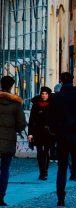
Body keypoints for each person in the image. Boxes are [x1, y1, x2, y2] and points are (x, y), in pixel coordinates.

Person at [48, 72, 76, 207]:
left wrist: (55, 132)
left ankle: (61, 197)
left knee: (62, 167)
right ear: (73, 80)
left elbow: (50, 118)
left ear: (61, 81)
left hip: (62, 137)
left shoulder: (56, 97)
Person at [0, 75, 27, 207]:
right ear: (11, 86)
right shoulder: (16, 104)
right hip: (8, 140)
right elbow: (21, 124)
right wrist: (14, 128)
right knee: (5, 169)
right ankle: (0, 197)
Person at [28, 86, 54, 180]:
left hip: (48, 132)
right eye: (42, 93)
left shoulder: (52, 104)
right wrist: (30, 133)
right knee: (39, 151)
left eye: (46, 94)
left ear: (49, 95)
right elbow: (31, 119)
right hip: (38, 131)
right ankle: (41, 171)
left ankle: (45, 171)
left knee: (46, 151)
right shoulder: (36, 104)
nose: (44, 95)